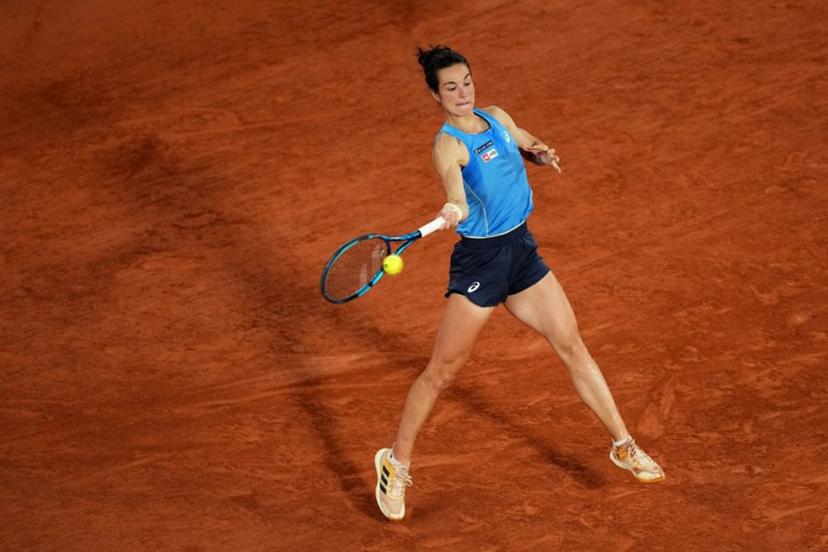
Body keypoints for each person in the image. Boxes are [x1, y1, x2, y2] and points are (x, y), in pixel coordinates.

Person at [374, 45, 664, 521]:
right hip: (481, 264)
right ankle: (395, 462)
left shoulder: (496, 117)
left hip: (521, 254)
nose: (462, 92)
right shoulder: (447, 144)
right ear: (435, 95)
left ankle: (624, 444)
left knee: (572, 345)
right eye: (450, 87)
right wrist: (454, 207)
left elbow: (520, 139)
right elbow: (454, 184)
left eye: (466, 81)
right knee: (442, 373)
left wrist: (539, 150)